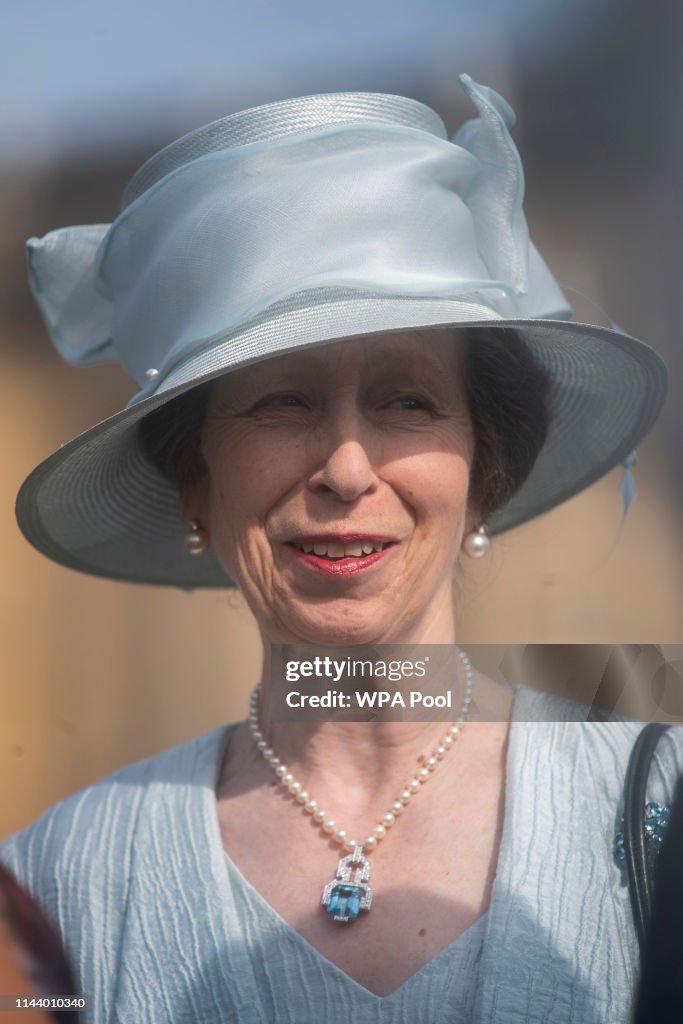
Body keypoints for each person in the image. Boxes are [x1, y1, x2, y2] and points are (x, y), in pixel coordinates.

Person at [1, 74, 681, 1023]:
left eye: (407, 400)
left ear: (482, 474)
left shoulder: (659, 808)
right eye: (282, 401)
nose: (348, 469)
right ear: (196, 482)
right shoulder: (58, 884)